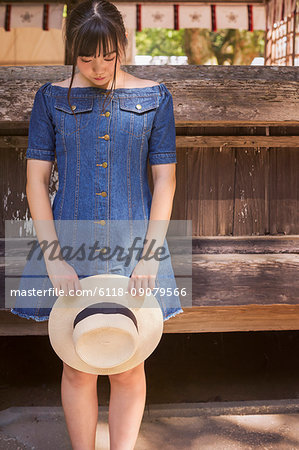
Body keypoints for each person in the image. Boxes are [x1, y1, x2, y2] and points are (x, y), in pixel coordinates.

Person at [10, 0, 183, 448]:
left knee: (129, 362)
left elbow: (164, 182)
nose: (99, 67)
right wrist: (53, 262)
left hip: (133, 247)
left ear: (122, 45)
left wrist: (149, 256)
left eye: (108, 55)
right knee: (76, 362)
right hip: (69, 248)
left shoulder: (155, 97)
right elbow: (35, 182)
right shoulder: (50, 98)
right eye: (86, 58)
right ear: (72, 51)